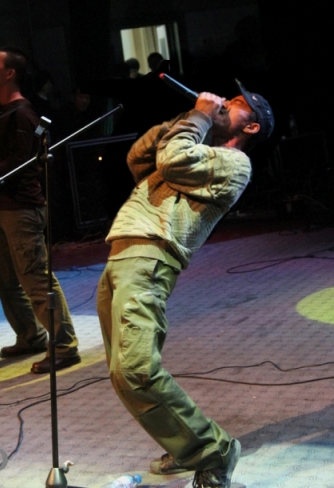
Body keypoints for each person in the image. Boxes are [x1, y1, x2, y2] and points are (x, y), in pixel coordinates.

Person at [96, 80, 274, 487]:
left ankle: (214, 452)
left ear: (251, 127)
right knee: (124, 374)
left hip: (149, 258)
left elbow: (172, 161)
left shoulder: (234, 165)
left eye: (236, 103)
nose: (225, 103)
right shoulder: (195, 143)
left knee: (137, 369)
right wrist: (189, 118)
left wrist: (198, 118)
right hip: (122, 255)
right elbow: (139, 157)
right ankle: (186, 447)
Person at [0, 46, 80, 374]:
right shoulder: (1, 109)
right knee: (3, 279)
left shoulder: (23, 114)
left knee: (36, 279)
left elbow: (17, 165)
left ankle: (64, 346)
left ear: (10, 73)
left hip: (22, 210)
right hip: (4, 208)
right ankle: (31, 335)